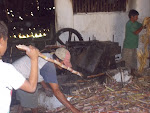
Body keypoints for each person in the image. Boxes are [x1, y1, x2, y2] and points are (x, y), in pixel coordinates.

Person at [12, 47, 80, 113]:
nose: (64, 67)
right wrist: (73, 109)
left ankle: (19, 111)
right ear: (57, 59)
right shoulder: (49, 66)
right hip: (17, 75)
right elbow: (56, 91)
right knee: (33, 99)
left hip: (17, 71)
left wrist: (45, 87)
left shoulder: (49, 57)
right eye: (63, 63)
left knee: (24, 99)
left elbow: (39, 72)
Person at [0, 21, 39, 113]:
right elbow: (31, 88)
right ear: (1, 40)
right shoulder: (6, 70)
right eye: (6, 40)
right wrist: (34, 59)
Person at [122, 9, 144, 75]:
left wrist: (146, 23)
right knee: (127, 62)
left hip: (134, 46)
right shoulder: (129, 24)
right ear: (132, 16)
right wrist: (142, 27)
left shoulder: (136, 23)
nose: (137, 18)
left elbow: (142, 25)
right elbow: (136, 32)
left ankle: (133, 74)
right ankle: (126, 76)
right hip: (128, 46)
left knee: (134, 62)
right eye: (136, 17)